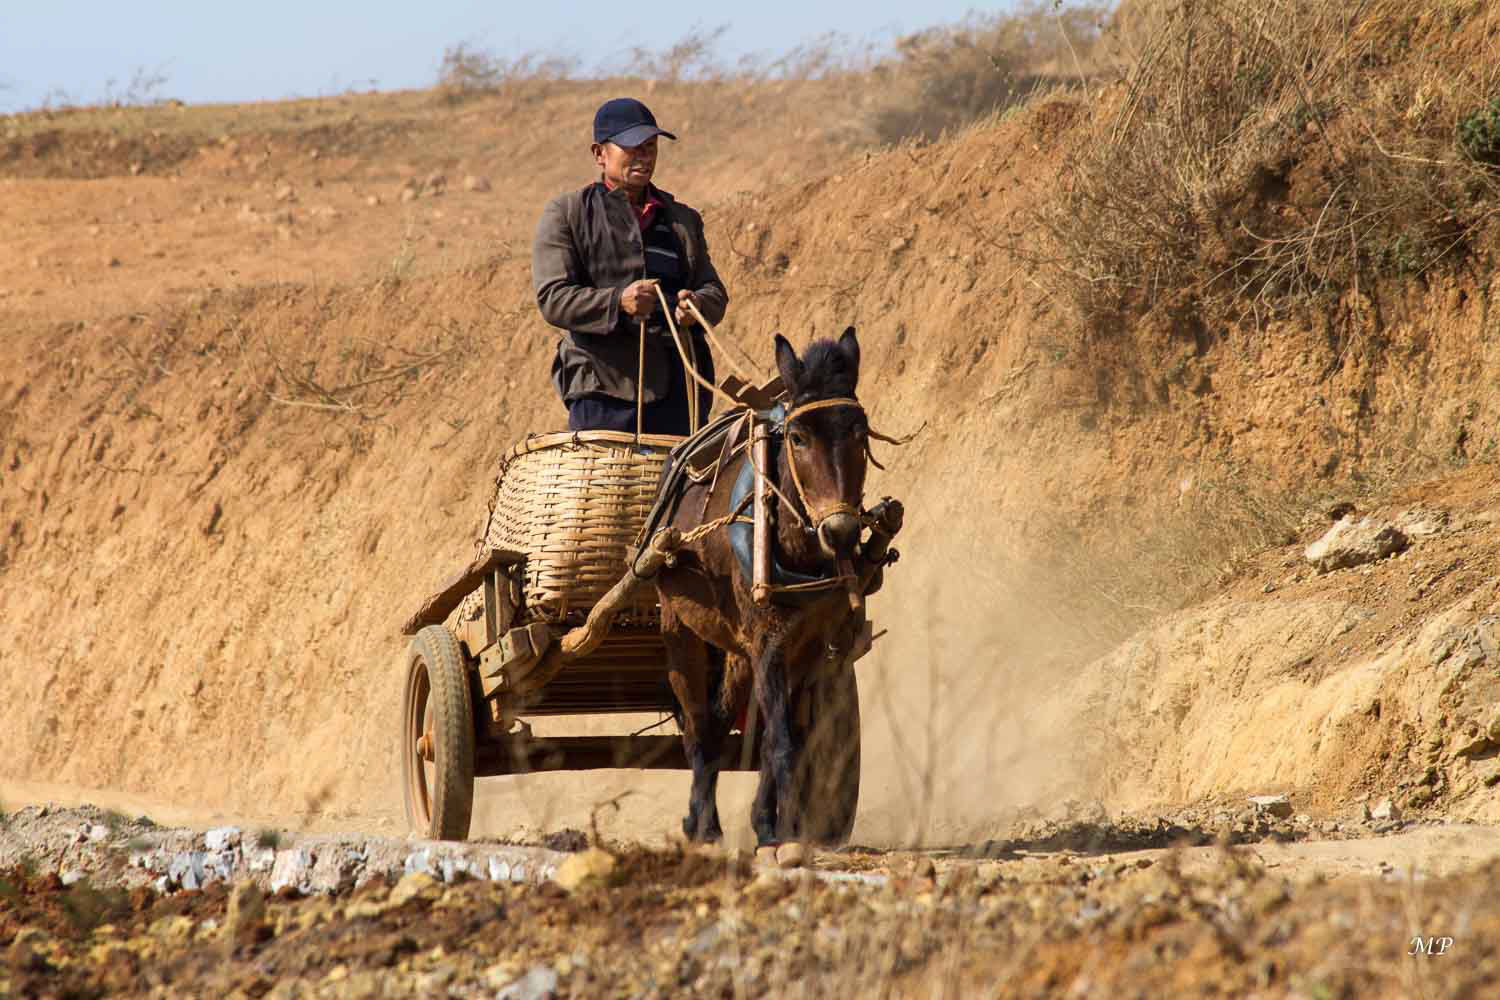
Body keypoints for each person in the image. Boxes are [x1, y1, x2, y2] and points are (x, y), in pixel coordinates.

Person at [532, 97, 728, 436]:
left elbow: (713, 290)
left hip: (681, 390)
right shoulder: (568, 214)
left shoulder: (682, 219)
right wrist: (617, 302)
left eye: (650, 147)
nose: (644, 156)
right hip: (604, 391)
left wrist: (696, 306)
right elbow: (553, 297)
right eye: (632, 147)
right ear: (599, 154)